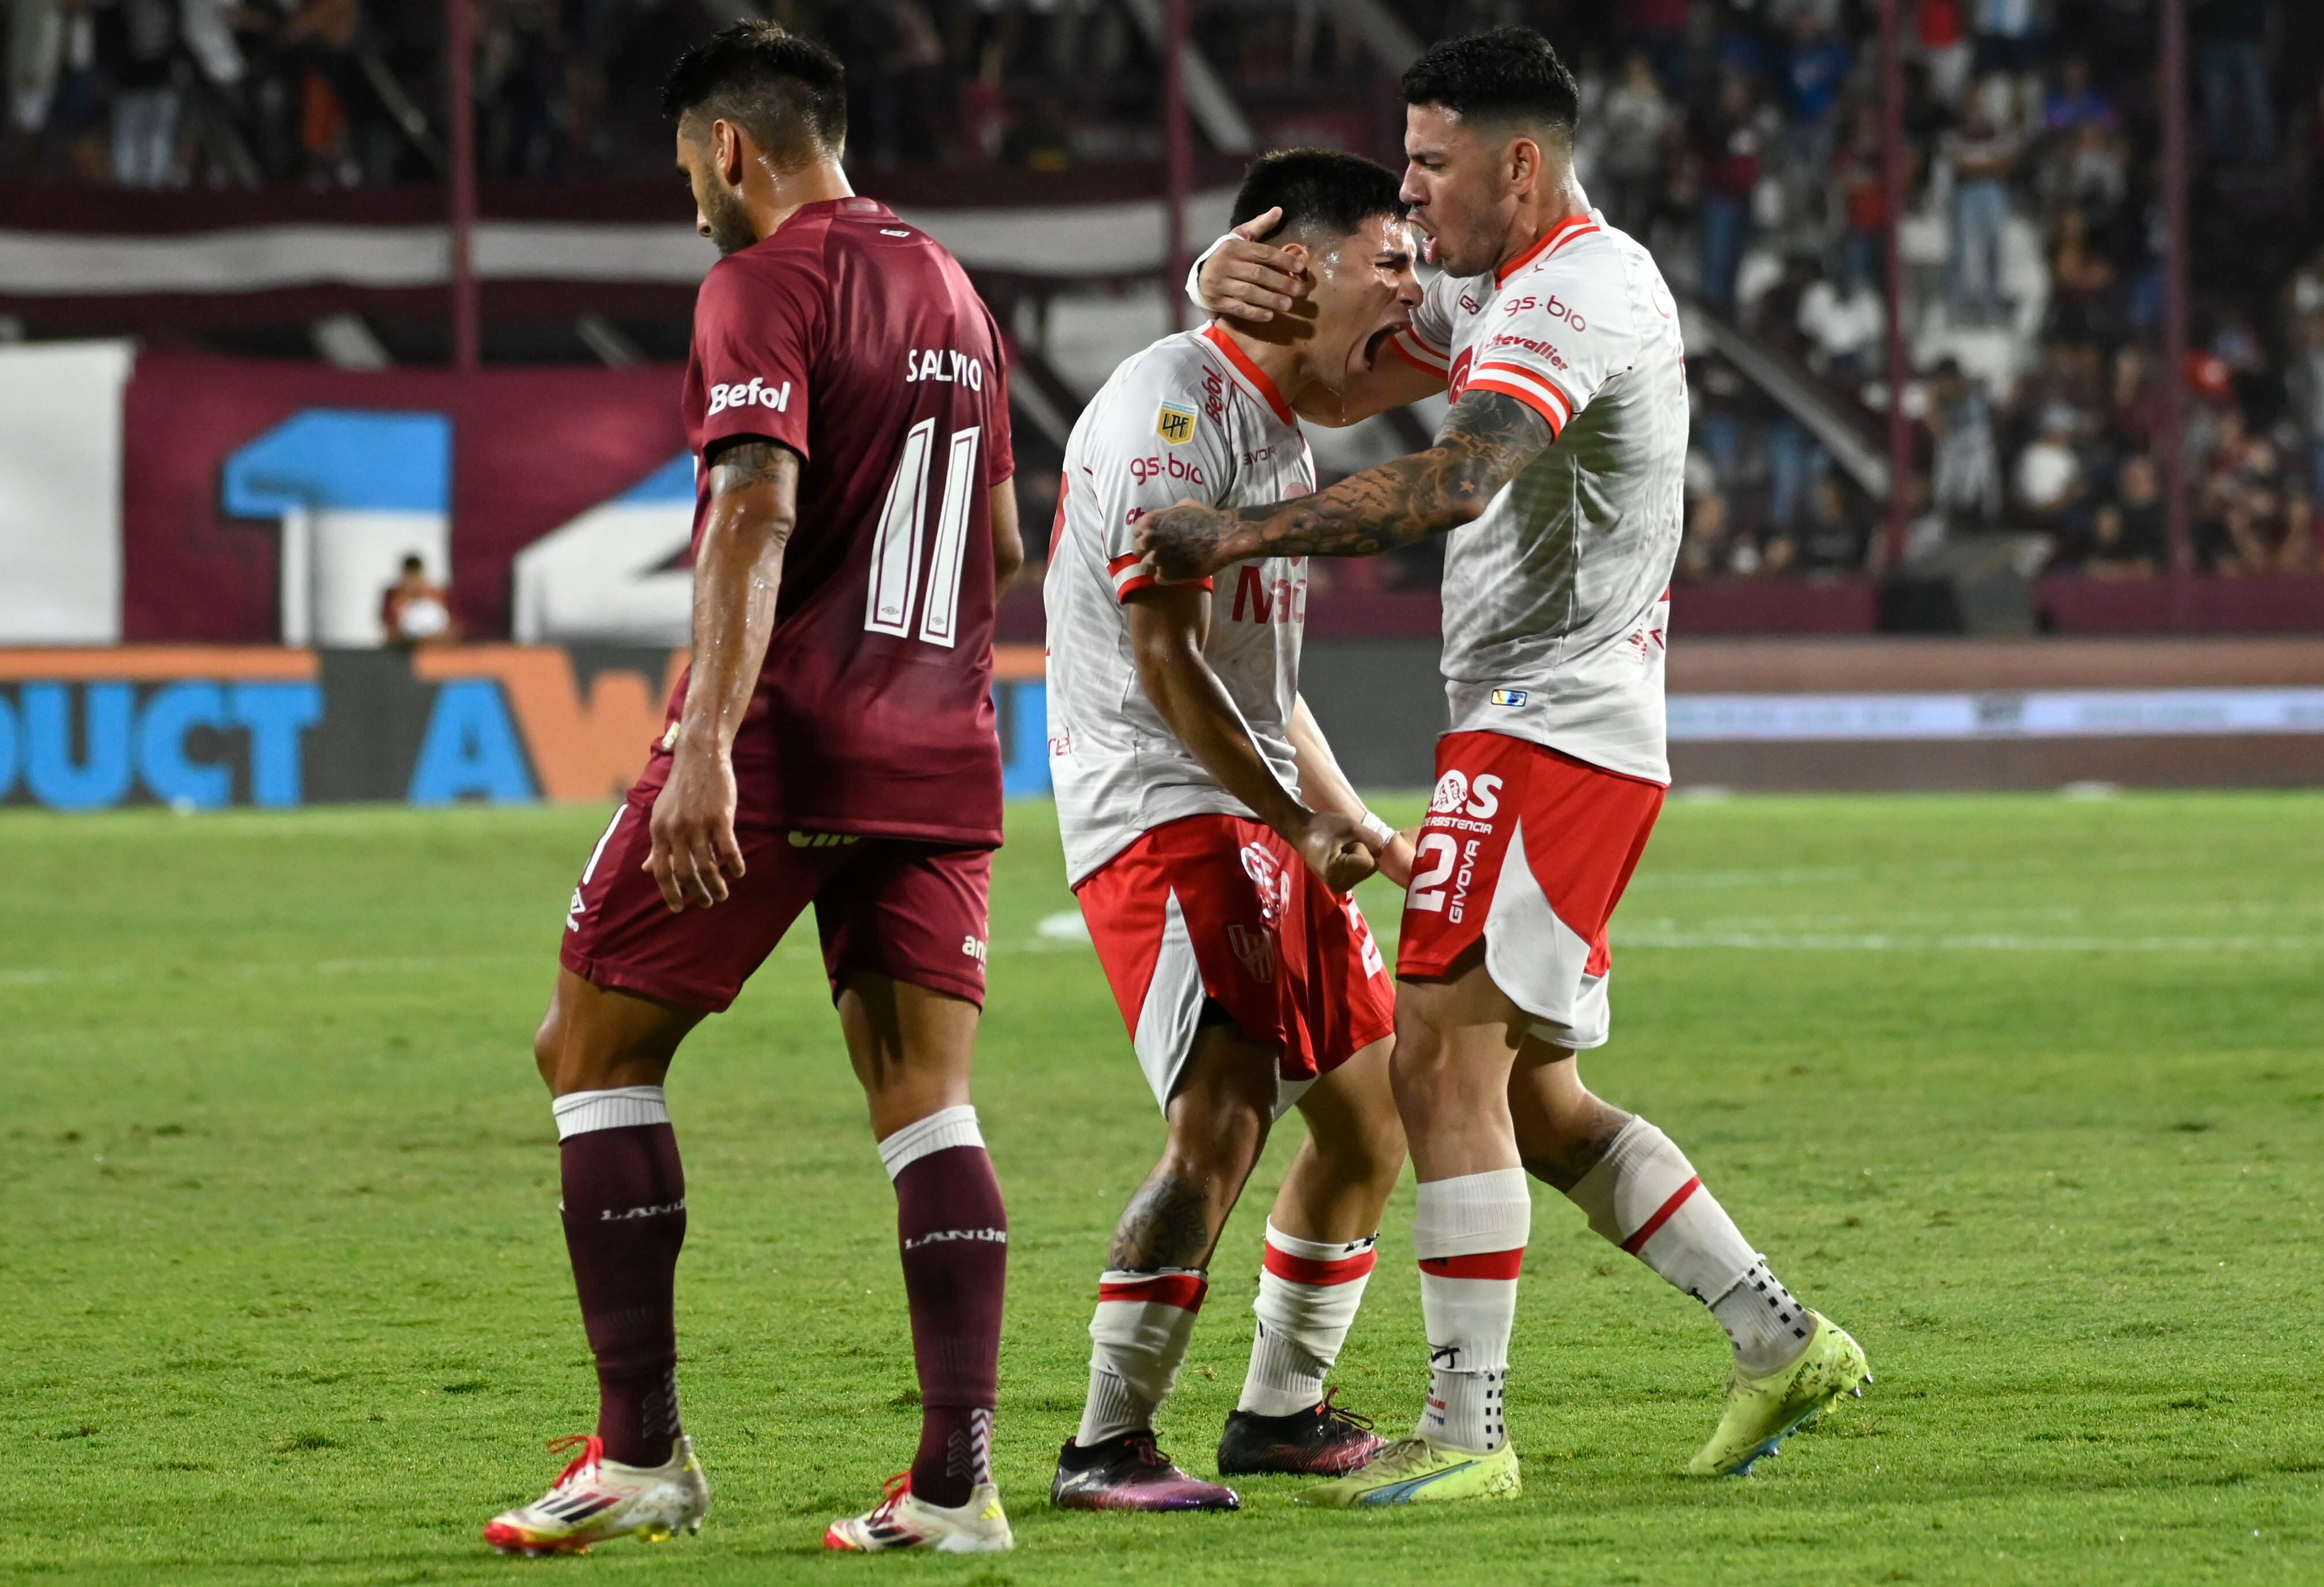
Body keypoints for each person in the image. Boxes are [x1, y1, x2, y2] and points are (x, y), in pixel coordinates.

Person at [1164, 24, 1868, 1507]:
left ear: (1521, 163)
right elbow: (1346, 387)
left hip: (1556, 717)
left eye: (1429, 164)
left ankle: (1467, 1429)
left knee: (1438, 1053)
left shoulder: (1583, 290)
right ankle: (1777, 1336)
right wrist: (1209, 286)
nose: (1410, 197)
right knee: (1532, 1102)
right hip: (1539, 716)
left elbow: (1457, 475)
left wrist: (1238, 534)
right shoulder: (1504, 282)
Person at [481, 22, 1022, 1558]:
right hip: (941, 741)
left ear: (732, 149)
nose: (690, 207)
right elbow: (997, 549)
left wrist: (708, 739)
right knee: (927, 1105)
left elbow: (750, 508)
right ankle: (954, 1485)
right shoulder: (957, 293)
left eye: (686, 173)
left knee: (586, 1043)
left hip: (786, 733)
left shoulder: (763, 282)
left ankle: (643, 1452)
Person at [1044, 149, 1423, 1514]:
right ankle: (1104, 1444)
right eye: (1390, 259)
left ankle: (1279, 1412)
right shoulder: (1173, 409)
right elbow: (1170, 666)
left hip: (1247, 810)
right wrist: (1286, 820)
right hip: (1164, 811)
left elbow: (1265, 683)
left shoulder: (1280, 420)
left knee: (1372, 1118)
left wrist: (1347, 819)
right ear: (1294, 261)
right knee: (1221, 1118)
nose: (1413, 288)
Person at [380, 554, 456, 646]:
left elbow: (454, 628)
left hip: (437, 648)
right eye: (410, 575)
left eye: (416, 575)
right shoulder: (393, 595)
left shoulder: (437, 594)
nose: (413, 581)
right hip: (403, 650)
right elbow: (390, 633)